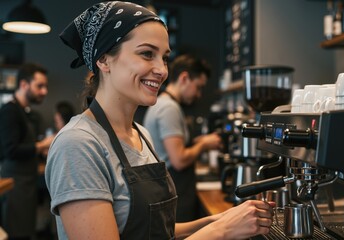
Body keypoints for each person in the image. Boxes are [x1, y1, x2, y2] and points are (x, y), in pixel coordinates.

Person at [45, 2, 274, 240]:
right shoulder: (78, 144)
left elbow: (155, 231)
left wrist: (218, 219)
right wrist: (221, 231)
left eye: (164, 58)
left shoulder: (141, 134)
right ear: (103, 60)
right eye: (147, 54)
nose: (162, 70)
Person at [143, 54, 222, 222]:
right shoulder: (169, 108)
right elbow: (178, 160)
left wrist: (198, 142)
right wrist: (204, 145)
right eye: (198, 87)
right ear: (184, 78)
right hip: (174, 187)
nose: (199, 94)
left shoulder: (163, 103)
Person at [0, 62, 54, 240]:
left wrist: (41, 151)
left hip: (27, 182)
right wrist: (42, 145)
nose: (44, 91)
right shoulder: (9, 111)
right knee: (17, 234)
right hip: (15, 184)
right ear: (24, 84)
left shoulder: (25, 111)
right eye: (40, 86)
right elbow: (10, 150)